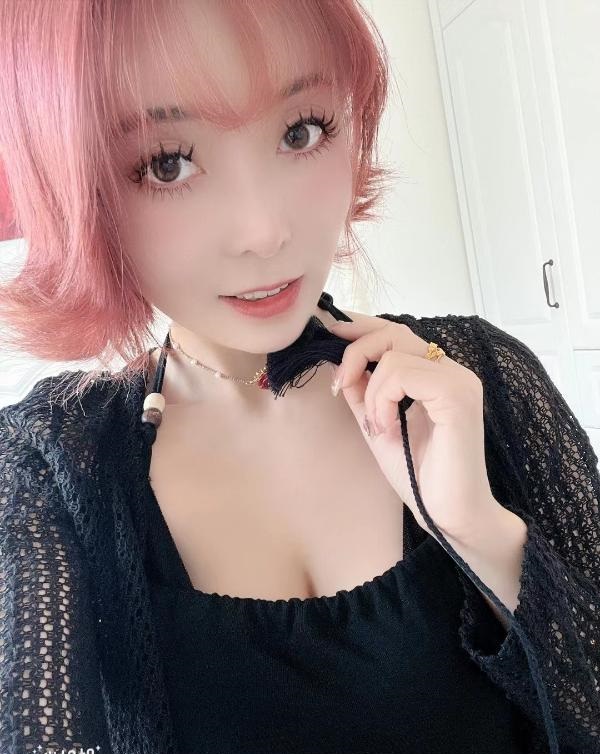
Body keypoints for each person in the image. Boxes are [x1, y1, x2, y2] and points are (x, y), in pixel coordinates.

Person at [0, 1, 598, 753]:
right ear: (76, 192)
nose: (265, 231)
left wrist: (482, 534)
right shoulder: (48, 469)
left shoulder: (481, 380)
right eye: (167, 163)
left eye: (301, 131)